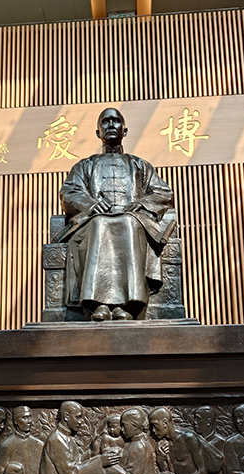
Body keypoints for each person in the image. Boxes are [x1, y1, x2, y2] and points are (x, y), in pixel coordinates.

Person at [57, 108, 176, 321]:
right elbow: (69, 193)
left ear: (125, 130)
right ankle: (99, 304)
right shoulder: (84, 166)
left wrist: (141, 204)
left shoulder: (140, 165)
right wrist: (90, 205)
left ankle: (128, 306)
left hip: (133, 221)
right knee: (101, 223)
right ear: (98, 132)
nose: (111, 125)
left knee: (128, 223)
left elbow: (164, 193)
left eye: (116, 121)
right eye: (105, 121)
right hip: (93, 222)